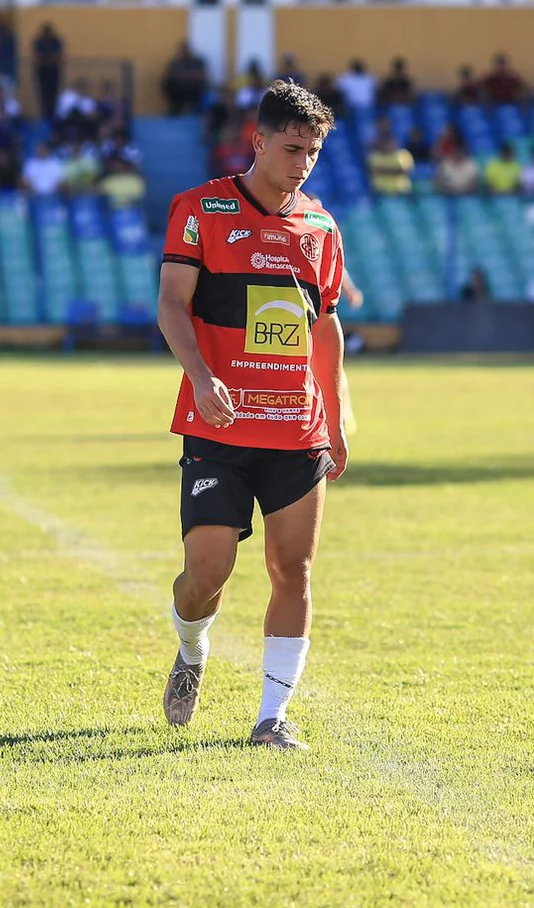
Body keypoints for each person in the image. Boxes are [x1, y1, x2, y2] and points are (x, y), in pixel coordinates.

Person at [156, 80, 348, 751]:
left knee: (292, 571)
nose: (302, 163)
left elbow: (325, 328)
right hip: (219, 426)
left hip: (297, 428)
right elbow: (172, 306)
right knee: (206, 573)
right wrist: (201, 378)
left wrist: (339, 416)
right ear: (258, 141)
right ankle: (191, 644)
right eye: (292, 148)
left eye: (314, 152)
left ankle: (272, 718)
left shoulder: (320, 227)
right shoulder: (200, 209)